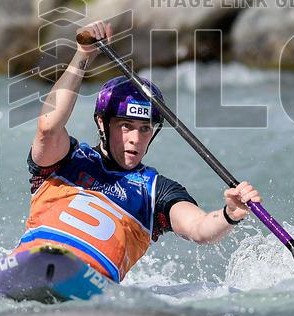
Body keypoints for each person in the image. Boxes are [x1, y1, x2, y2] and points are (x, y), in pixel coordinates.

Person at [14, 20, 262, 282]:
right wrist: (83, 56)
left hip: (89, 287)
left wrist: (229, 214)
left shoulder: (156, 191)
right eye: (125, 126)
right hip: (28, 265)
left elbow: (200, 229)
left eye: (145, 129)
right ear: (102, 123)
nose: (135, 139)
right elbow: (48, 127)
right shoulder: (66, 161)